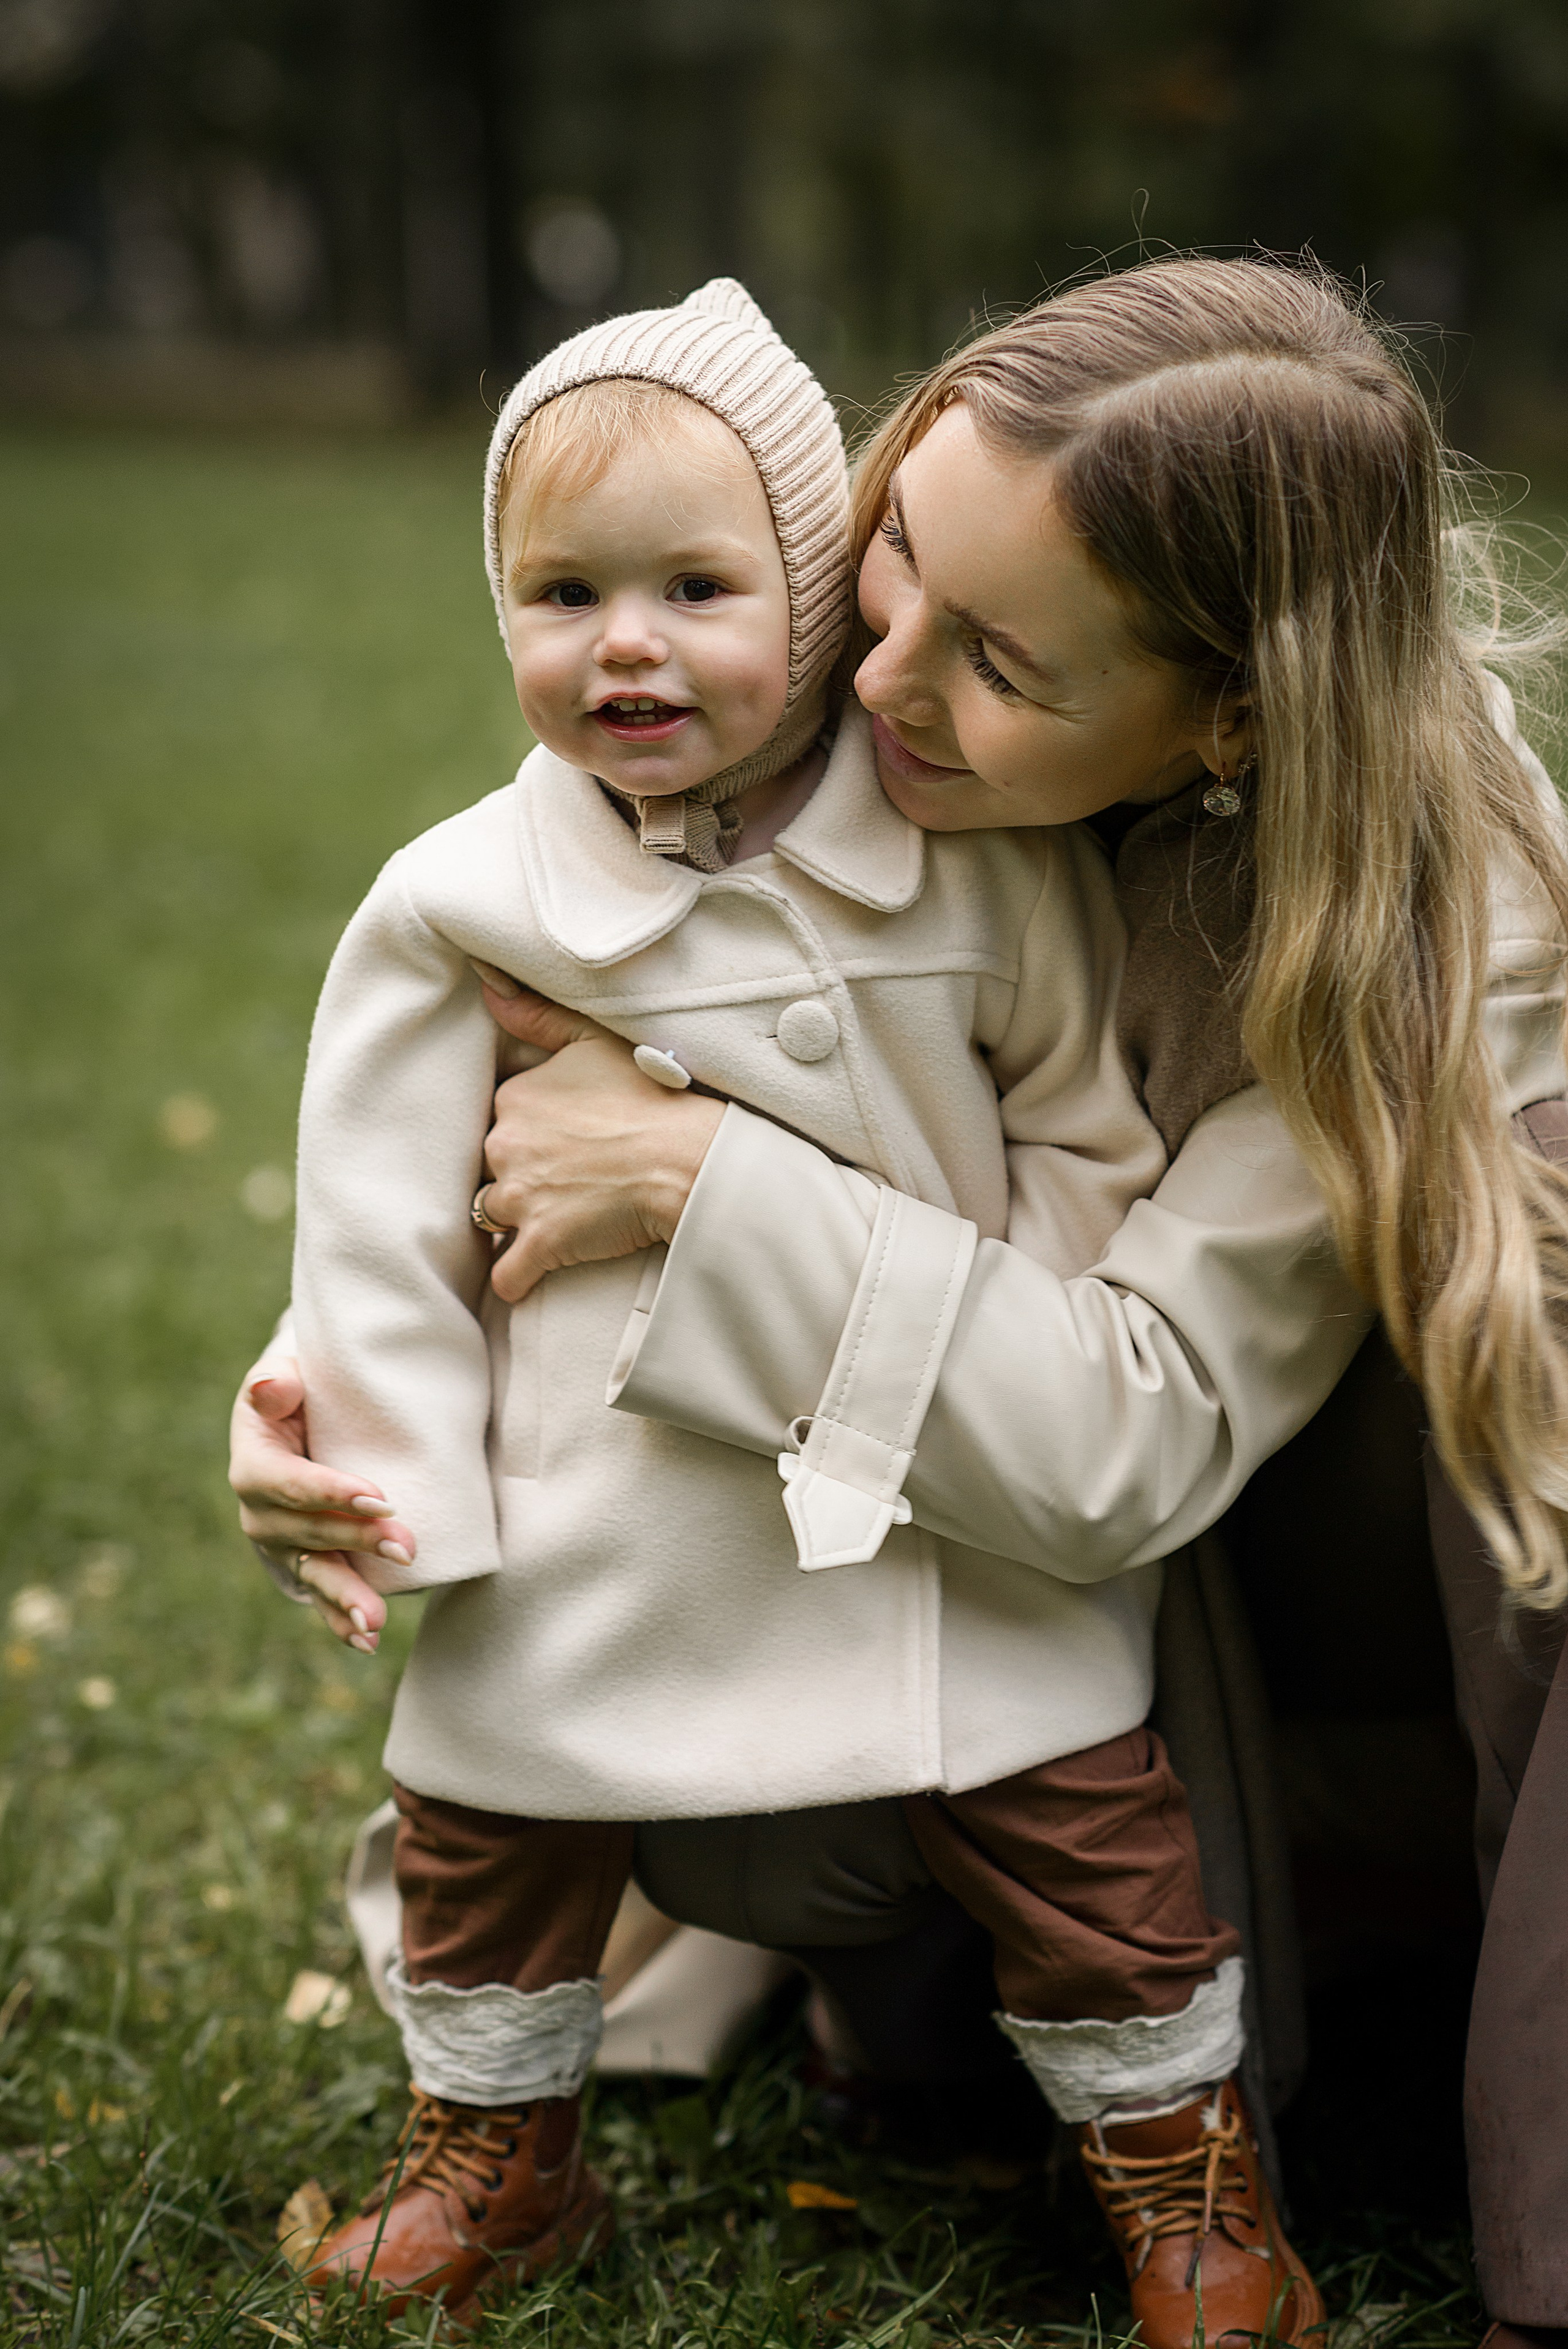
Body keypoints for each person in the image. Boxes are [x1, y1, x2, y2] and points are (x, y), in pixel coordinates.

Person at [232, 258, 1568, 2339]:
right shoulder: (821, 749)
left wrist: (690, 1181)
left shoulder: (1412, 923)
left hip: (1264, 1549)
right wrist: (349, 1383)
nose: (874, 684)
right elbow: (539, 1035)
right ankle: (616, 2089)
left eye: (998, 663)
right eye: (886, 575)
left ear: (1228, 718)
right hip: (811, 1518)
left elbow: (1124, 1429)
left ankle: (1312, 2073)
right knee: (614, 1794)